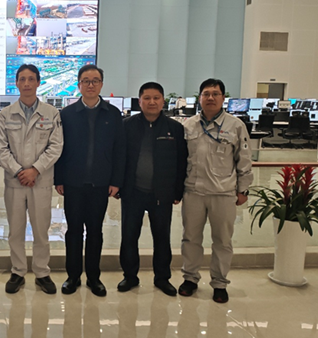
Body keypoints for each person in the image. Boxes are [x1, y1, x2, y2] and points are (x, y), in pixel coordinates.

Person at [179, 78, 253, 303]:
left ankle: (220, 283)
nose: (210, 98)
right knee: (190, 238)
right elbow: (180, 160)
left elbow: (244, 159)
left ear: (223, 98)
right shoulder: (189, 125)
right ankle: (190, 278)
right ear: (200, 97)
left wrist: (243, 190)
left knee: (222, 240)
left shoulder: (236, 126)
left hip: (223, 193)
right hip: (193, 192)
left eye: (215, 94)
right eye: (206, 94)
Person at [54, 65, 125, 297]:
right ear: (79, 85)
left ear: (102, 84)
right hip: (73, 183)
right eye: (86, 81)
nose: (91, 85)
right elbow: (59, 149)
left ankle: (94, 277)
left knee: (95, 231)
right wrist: (59, 179)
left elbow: (119, 150)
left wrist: (116, 181)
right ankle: (73, 276)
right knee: (73, 231)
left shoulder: (113, 114)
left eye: (95, 80)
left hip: (101, 183)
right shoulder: (66, 114)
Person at [0, 64, 63, 294]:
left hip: (40, 182)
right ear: (16, 83)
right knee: (15, 230)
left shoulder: (51, 113)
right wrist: (18, 171)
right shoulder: (6, 114)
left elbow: (56, 146)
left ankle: (42, 272)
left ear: (38, 82)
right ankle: (18, 271)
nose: (26, 83)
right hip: (15, 182)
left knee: (41, 230)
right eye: (22, 79)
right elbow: (0, 148)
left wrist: (35, 170)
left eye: (31, 79)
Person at [118, 82, 187, 297]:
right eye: (146, 98)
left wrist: (178, 191)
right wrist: (118, 185)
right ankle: (130, 276)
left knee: (162, 238)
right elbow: (118, 158)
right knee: (129, 237)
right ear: (139, 101)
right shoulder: (126, 126)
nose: (151, 102)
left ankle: (162, 278)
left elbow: (181, 162)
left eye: (156, 98)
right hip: (133, 192)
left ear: (163, 101)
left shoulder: (174, 128)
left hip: (162, 193)